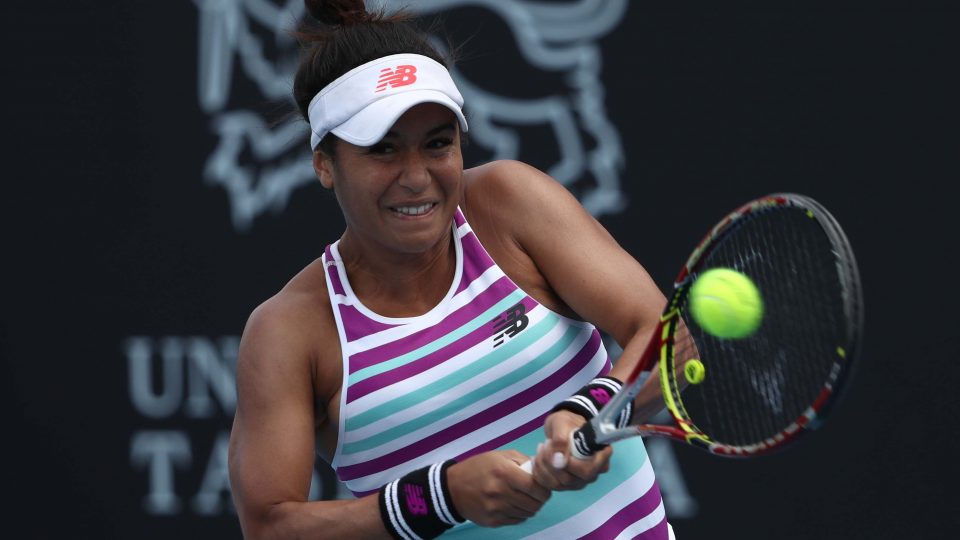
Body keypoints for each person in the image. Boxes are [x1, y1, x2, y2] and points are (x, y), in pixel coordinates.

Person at [228, 1, 674, 538]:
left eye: (437, 144)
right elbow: (269, 526)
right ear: (324, 163)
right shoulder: (288, 331)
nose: (416, 177)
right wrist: (441, 496)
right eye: (383, 150)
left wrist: (594, 413)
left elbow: (667, 335)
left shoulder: (509, 202)